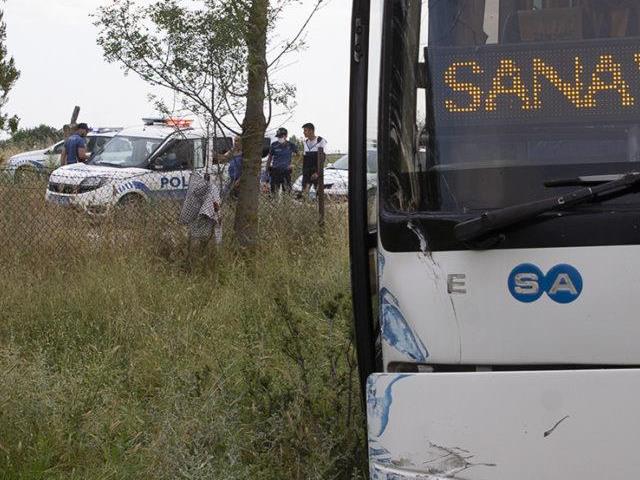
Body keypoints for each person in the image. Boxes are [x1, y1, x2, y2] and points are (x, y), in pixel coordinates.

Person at [266, 127, 298, 195]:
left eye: (281, 136)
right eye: (278, 136)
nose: (279, 138)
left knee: (287, 193)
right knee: (273, 193)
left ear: (286, 136)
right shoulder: (274, 145)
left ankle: (285, 205)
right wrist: (267, 169)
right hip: (275, 171)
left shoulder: (291, 145)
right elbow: (269, 158)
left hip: (286, 172)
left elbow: (299, 155)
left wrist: (293, 164)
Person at [301, 122, 328, 196]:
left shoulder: (320, 141)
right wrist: (304, 172)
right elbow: (305, 159)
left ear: (311, 131)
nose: (304, 133)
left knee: (319, 194)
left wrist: (317, 172)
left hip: (316, 171)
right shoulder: (305, 142)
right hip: (307, 172)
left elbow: (323, 158)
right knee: (304, 192)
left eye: (305, 130)